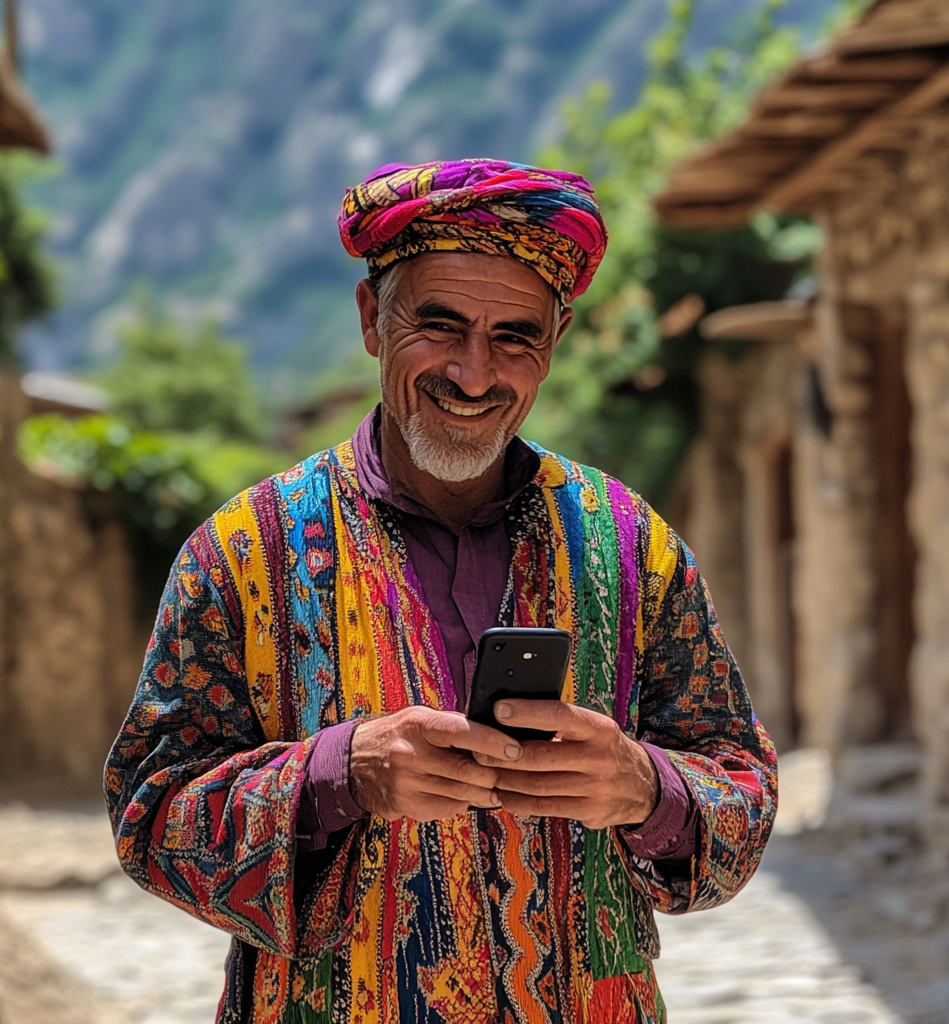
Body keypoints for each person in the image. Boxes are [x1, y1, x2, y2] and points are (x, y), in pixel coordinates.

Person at [105, 159, 777, 1024]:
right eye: (439, 323)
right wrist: (337, 773)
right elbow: (147, 814)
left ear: (556, 341)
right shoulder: (244, 553)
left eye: (514, 337)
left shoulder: (629, 545)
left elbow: (744, 795)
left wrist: (644, 787)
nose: (472, 372)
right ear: (370, 320)